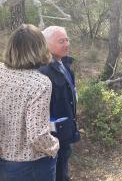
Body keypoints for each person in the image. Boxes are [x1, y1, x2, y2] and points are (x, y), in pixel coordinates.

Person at [0, 24, 59, 181]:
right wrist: (54, 145)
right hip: (31, 166)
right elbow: (37, 135)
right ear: (40, 48)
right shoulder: (39, 83)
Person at [40, 26, 81, 181]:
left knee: (63, 171)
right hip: (52, 138)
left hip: (66, 133)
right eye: (61, 41)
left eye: (67, 39)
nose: (66, 44)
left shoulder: (65, 64)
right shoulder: (43, 70)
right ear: (47, 44)